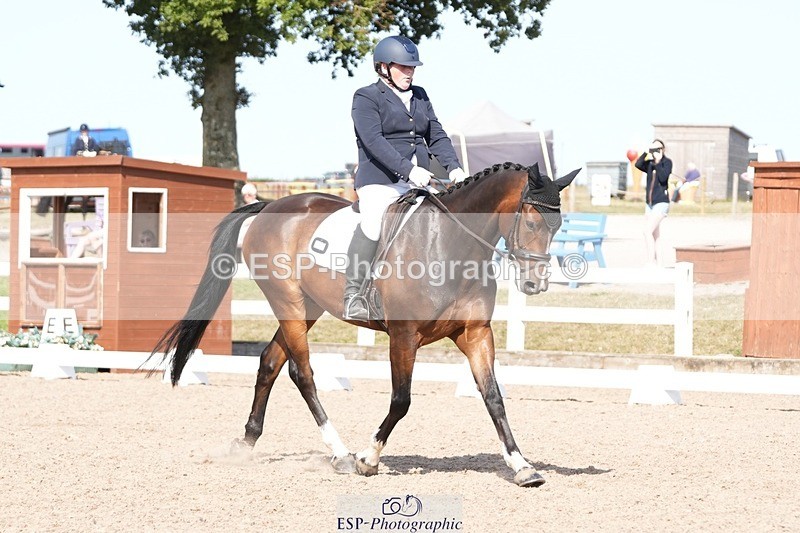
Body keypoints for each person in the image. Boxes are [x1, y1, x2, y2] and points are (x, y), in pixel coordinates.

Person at [342, 35, 467, 321]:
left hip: (417, 181)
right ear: (384, 67)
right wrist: (409, 170)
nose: (409, 72)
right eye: (403, 67)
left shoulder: (420, 95)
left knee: (445, 220)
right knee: (374, 223)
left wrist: (454, 168)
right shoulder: (366, 97)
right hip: (379, 181)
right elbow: (373, 141)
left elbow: (436, 134)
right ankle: (353, 295)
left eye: (412, 67)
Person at [635, 139, 673, 266]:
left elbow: (663, 178)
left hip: (661, 202)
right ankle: (660, 263)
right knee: (655, 235)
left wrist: (658, 162)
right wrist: (646, 152)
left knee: (647, 231)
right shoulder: (649, 163)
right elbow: (638, 164)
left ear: (663, 150)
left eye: (659, 148)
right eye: (654, 148)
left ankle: (650, 261)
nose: (656, 151)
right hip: (649, 204)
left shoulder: (667, 163)